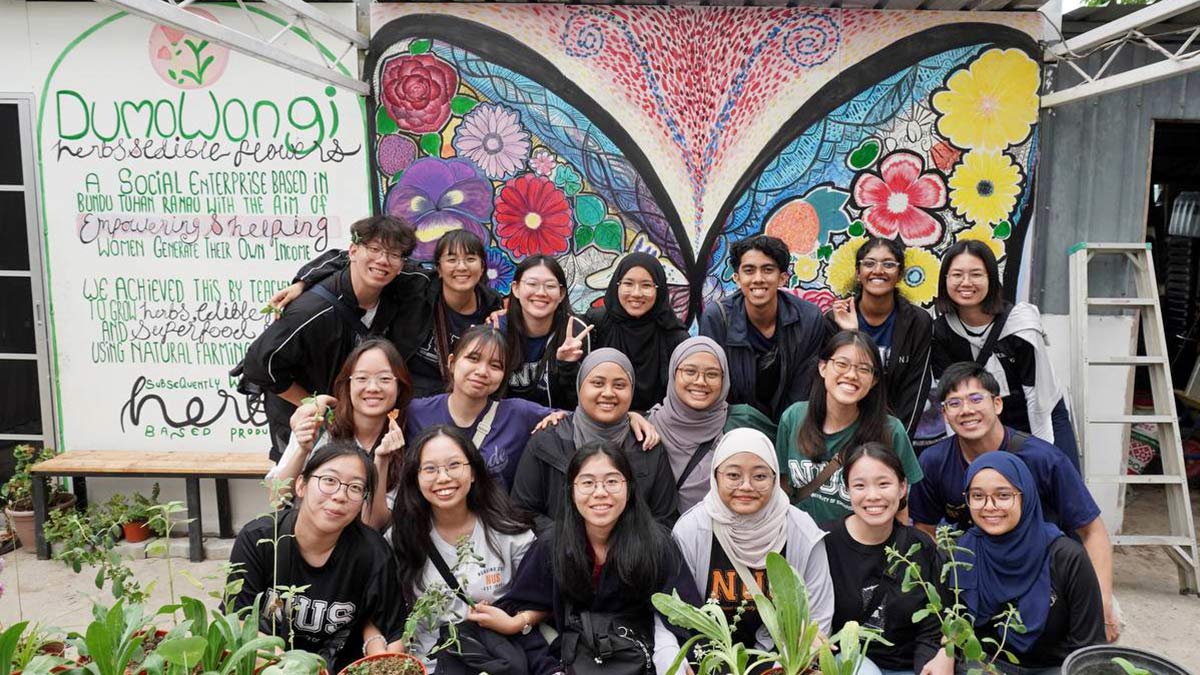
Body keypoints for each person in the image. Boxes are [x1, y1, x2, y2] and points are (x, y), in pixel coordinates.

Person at [908, 361, 1118, 642]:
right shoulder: (934, 462)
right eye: (954, 403)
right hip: (976, 576)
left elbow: (1091, 530)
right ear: (944, 414)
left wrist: (1102, 602)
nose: (966, 410)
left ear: (997, 404)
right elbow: (926, 531)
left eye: (975, 399)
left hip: (1043, 575)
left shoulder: (1044, 459)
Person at [499, 442, 702, 675]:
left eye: (612, 481)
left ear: (630, 488)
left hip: (642, 664)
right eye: (587, 483)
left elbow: (689, 620)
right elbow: (519, 617)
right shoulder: (550, 546)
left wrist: (683, 661)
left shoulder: (657, 544)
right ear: (570, 490)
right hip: (567, 664)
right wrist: (549, 669)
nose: (600, 492)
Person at [238, 215, 418, 461]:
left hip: (346, 423)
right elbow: (259, 365)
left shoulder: (394, 288)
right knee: (301, 493)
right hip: (303, 423)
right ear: (354, 250)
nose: (383, 260)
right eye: (374, 249)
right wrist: (314, 405)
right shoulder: (311, 310)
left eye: (394, 254)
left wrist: (491, 306)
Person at [227, 442, 407, 673]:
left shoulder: (373, 553)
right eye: (329, 480)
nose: (340, 495)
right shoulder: (259, 539)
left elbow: (391, 631)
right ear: (301, 485)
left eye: (354, 487)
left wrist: (382, 660)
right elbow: (238, 621)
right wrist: (293, 668)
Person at [266, 230, 504, 397]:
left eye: (470, 259)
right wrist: (304, 282)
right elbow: (350, 257)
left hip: (463, 400)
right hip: (410, 398)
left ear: (482, 267)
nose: (461, 267)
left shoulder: (492, 308)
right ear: (439, 269)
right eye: (452, 260)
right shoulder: (417, 284)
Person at [390, 425, 547, 674]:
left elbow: (544, 598)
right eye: (430, 469)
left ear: (473, 472)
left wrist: (516, 622)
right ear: (415, 478)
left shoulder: (509, 532)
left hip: (497, 659)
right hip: (429, 665)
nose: (443, 478)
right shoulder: (400, 537)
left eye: (454, 465)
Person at [672, 428, 834, 660]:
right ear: (715, 476)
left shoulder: (801, 530)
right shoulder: (691, 530)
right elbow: (679, 614)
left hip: (782, 661)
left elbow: (818, 616)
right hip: (711, 661)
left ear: (776, 478)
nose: (746, 486)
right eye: (733, 476)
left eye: (759, 476)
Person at [931, 239, 1079, 467]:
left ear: (991, 278)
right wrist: (962, 451)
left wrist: (1041, 457)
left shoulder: (1020, 325)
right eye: (957, 274)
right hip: (985, 420)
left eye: (976, 274)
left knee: (1056, 489)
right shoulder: (941, 331)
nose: (966, 282)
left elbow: (1037, 399)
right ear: (945, 280)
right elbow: (951, 397)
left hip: (1041, 418)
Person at [955, 452, 1106, 672]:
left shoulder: (1066, 558)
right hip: (983, 665)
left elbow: (1089, 647)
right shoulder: (963, 551)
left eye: (1004, 495)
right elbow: (951, 630)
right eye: (977, 496)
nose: (989, 506)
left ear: (1025, 496)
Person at [511, 348, 677, 536]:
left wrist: (624, 546)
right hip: (559, 558)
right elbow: (522, 510)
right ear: (580, 386)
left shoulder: (646, 444)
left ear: (632, 391)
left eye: (620, 385)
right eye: (597, 383)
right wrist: (569, 541)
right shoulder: (548, 440)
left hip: (631, 561)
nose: (608, 393)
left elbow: (664, 519)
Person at [822, 442, 949, 675]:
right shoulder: (825, 543)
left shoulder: (920, 546)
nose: (873, 496)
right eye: (859, 485)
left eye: (884, 484)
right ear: (847, 490)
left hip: (906, 667)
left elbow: (932, 627)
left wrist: (930, 665)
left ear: (902, 488)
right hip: (847, 664)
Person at [775, 330, 923, 523]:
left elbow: (900, 505)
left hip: (861, 545)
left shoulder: (890, 430)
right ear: (823, 367)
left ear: (874, 380)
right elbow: (783, 488)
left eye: (863, 369)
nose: (851, 375)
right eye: (842, 364)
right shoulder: (794, 417)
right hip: (802, 541)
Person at [266, 338, 411, 529]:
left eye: (384, 379)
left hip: (367, 551)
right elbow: (277, 499)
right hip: (308, 540)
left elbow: (374, 526)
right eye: (361, 378)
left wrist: (381, 462)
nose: (373, 387)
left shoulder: (404, 438)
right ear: (347, 384)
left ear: (399, 386)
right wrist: (302, 450)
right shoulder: (317, 424)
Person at [406, 325, 565, 493]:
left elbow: (580, 421)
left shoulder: (518, 414)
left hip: (494, 518)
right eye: (473, 358)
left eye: (495, 365)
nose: (482, 371)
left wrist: (558, 419)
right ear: (452, 363)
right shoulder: (416, 412)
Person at [701, 234, 833, 421]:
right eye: (749, 270)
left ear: (782, 278)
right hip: (735, 422)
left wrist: (783, 434)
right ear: (737, 278)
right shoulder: (718, 318)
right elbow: (716, 387)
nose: (758, 279)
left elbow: (804, 390)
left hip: (792, 423)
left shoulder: (809, 319)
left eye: (768, 270)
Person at [827, 237, 933, 439]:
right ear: (858, 273)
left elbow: (915, 391)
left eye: (888, 264)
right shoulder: (834, 319)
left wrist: (898, 440)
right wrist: (852, 334)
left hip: (892, 431)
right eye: (869, 263)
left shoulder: (918, 322)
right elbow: (832, 384)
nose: (878, 270)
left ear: (900, 274)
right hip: (843, 429)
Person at [585, 252, 690, 412]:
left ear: (659, 289)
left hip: (656, 427)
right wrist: (567, 362)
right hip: (603, 423)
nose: (636, 293)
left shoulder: (674, 336)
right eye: (628, 283)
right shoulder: (595, 324)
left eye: (647, 285)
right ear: (616, 285)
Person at [650, 336, 731, 513]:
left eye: (712, 374)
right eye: (690, 371)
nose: (700, 382)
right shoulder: (647, 428)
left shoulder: (738, 426)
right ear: (673, 373)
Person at [500, 255, 592, 409]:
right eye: (532, 284)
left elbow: (582, 402)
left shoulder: (576, 332)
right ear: (516, 289)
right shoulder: (498, 329)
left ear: (561, 293)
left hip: (558, 424)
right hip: (504, 424)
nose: (541, 292)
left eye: (550, 286)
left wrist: (567, 366)